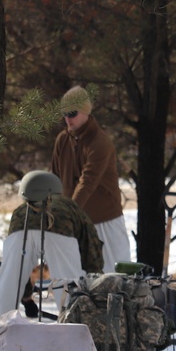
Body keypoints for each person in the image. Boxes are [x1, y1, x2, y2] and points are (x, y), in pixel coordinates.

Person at [0, 173, 104, 323]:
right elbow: (90, 245)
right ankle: (78, 328)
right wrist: (95, 277)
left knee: (7, 283)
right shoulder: (68, 205)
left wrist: (26, 298)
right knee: (69, 286)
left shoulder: (20, 212)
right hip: (60, 233)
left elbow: (17, 271)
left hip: (21, 231)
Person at [51, 86, 131, 271]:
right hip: (75, 224)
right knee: (73, 283)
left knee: (114, 279)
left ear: (85, 112)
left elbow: (87, 183)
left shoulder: (100, 143)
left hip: (105, 223)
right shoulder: (62, 140)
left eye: (72, 113)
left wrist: (68, 216)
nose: (67, 118)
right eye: (64, 113)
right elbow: (54, 180)